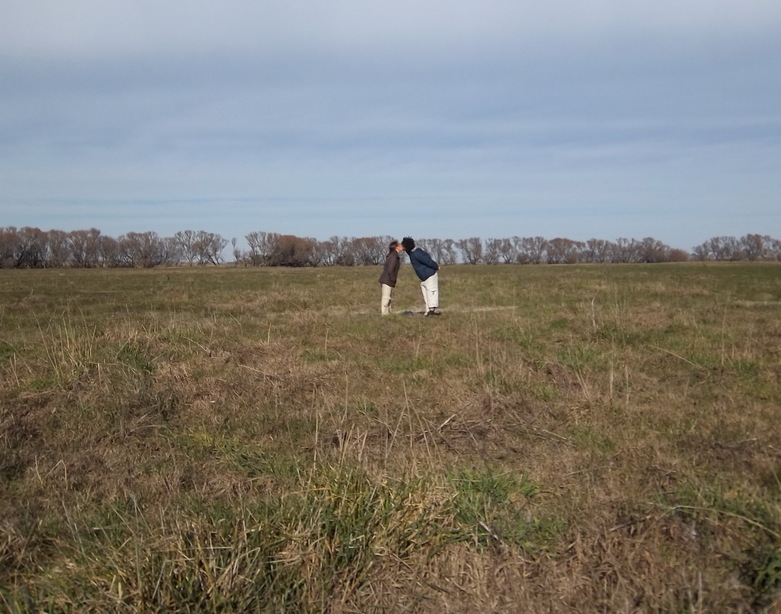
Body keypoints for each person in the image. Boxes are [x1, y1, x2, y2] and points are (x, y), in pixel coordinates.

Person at [401, 237, 441, 316]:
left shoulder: (417, 253)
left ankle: (432, 311)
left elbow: (428, 261)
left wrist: (436, 266)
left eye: (404, 246)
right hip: (424, 277)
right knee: (426, 294)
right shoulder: (412, 253)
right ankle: (428, 311)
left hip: (430, 275)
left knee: (431, 292)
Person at [378, 240, 404, 315]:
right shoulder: (393, 256)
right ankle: (384, 313)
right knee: (386, 297)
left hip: (388, 279)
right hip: (387, 279)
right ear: (396, 247)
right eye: (399, 245)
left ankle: (388, 312)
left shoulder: (394, 255)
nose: (401, 246)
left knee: (388, 297)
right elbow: (390, 269)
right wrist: (393, 279)